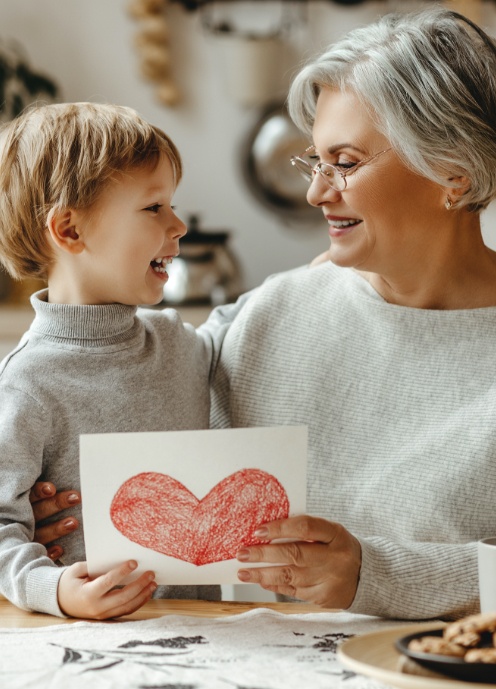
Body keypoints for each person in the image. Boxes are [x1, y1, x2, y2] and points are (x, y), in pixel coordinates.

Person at [34, 5, 496, 621]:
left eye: (347, 164)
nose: (315, 192)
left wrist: (374, 573)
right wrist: (59, 505)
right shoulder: (272, 315)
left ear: (453, 173)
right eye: (316, 162)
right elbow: (113, 398)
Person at [0, 102, 220, 619]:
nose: (180, 224)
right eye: (153, 208)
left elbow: (254, 319)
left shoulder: (180, 343)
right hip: (87, 648)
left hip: (209, 635)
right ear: (70, 231)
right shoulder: (28, 380)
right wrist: (51, 588)